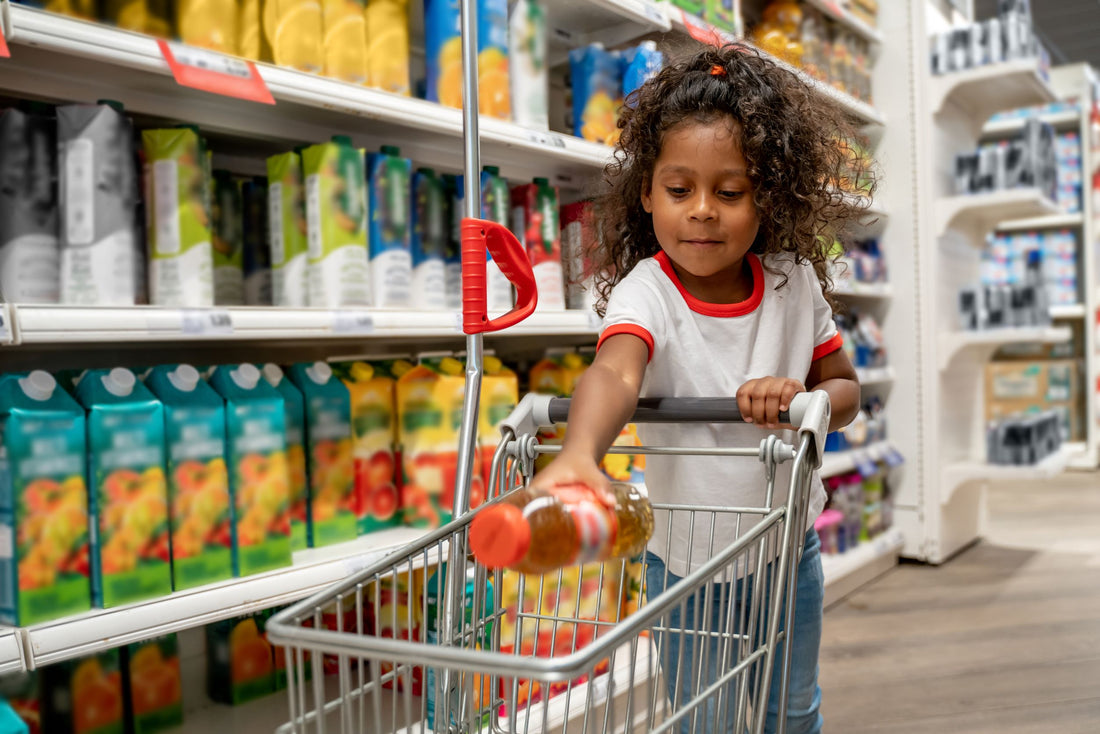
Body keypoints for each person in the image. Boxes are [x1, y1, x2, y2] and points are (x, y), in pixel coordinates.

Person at [528, 43, 871, 734]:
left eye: (731, 191)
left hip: (786, 547)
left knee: (790, 709)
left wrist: (804, 398)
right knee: (703, 719)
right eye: (680, 190)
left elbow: (845, 389)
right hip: (688, 565)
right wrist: (579, 455)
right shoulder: (647, 292)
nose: (704, 212)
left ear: (767, 195)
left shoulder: (791, 282)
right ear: (647, 193)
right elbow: (616, 372)